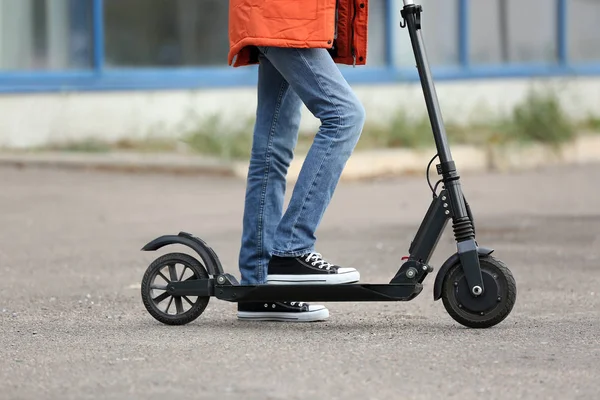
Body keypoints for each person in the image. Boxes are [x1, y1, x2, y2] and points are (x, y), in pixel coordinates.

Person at [228, 0, 369, 322]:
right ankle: (291, 249)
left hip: (284, 17)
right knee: (345, 116)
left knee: (271, 151)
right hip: (284, 15)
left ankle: (258, 289)